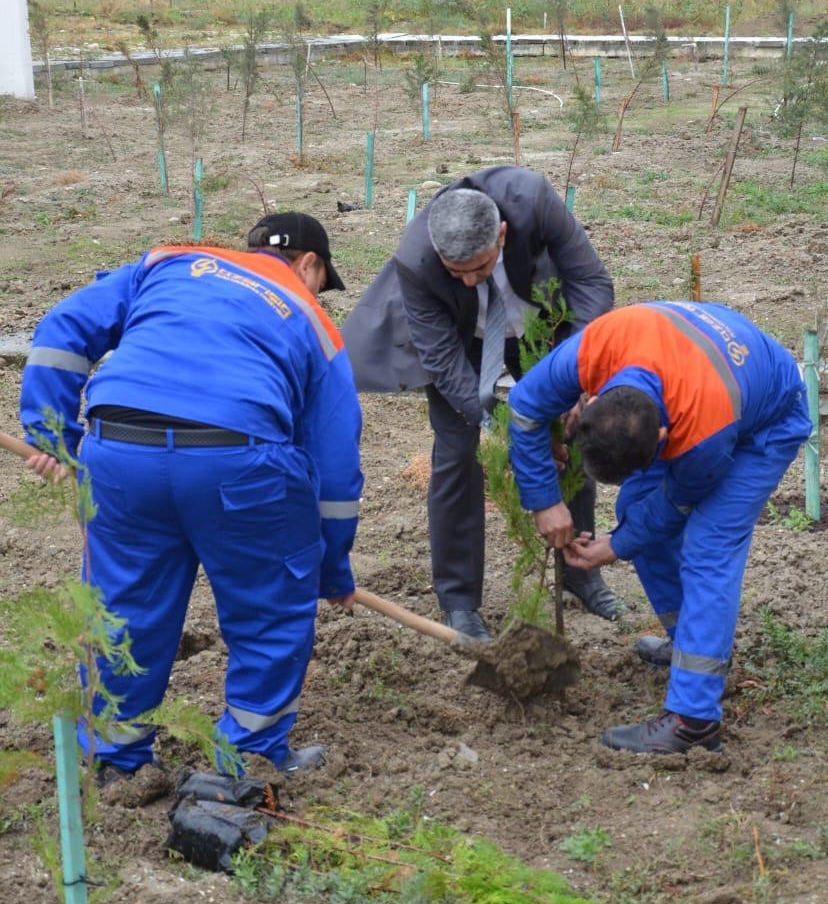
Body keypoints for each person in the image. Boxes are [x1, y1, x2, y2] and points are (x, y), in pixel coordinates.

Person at [20, 212, 363, 779]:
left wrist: (52, 434)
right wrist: (329, 568)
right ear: (309, 265)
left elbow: (62, 329)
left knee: (124, 608)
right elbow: (336, 464)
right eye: (323, 282)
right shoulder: (310, 317)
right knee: (270, 610)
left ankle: (115, 762)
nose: (321, 294)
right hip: (239, 463)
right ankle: (244, 763)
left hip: (121, 455)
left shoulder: (165, 263)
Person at [507, 300, 812, 754]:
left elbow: (674, 507)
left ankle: (694, 720)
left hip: (767, 420)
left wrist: (614, 546)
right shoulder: (596, 347)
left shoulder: (702, 437)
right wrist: (544, 500)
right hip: (700, 377)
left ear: (665, 440)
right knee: (635, 507)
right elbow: (525, 407)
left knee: (709, 547)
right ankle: (691, 649)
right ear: (592, 398)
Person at [342, 164, 616, 641]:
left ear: (503, 235)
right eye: (456, 273)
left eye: (480, 269)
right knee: (458, 455)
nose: (469, 281)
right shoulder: (416, 259)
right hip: (463, 344)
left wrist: (575, 379)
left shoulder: (532, 199)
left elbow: (591, 284)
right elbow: (441, 359)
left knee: (572, 440)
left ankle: (579, 570)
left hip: (543, 331)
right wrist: (504, 429)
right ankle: (459, 599)